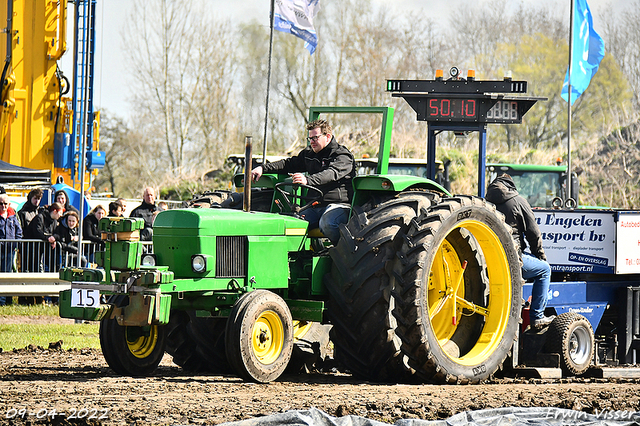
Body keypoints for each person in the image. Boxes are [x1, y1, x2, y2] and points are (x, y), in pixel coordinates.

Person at [250, 119, 355, 245]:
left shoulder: (342, 156)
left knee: (328, 224)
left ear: (327, 137)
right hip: (315, 205)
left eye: (315, 138)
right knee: (291, 225)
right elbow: (288, 164)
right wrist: (262, 168)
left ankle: (343, 253)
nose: (311, 142)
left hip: (338, 205)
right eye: (309, 138)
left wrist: (307, 180)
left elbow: (331, 173)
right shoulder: (309, 155)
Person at [486, 173, 554, 330]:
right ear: (511, 185)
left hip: (488, 259)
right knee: (544, 270)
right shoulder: (519, 202)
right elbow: (534, 234)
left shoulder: (485, 202)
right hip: (511, 260)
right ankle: (537, 317)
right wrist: (541, 257)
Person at [26, 202, 64, 272]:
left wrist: (53, 238)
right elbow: (37, 232)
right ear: (55, 211)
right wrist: (48, 238)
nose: (61, 215)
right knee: (34, 266)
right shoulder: (40, 217)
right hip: (33, 248)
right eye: (60, 213)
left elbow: (57, 233)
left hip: (44, 247)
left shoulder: (54, 221)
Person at [0, 194, 22, 305]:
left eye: (5, 204)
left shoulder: (13, 216)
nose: (3, 206)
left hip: (9, 250)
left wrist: (15, 244)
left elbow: (19, 232)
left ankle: (6, 300)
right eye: (1, 204)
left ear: (9, 204)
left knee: (7, 275)